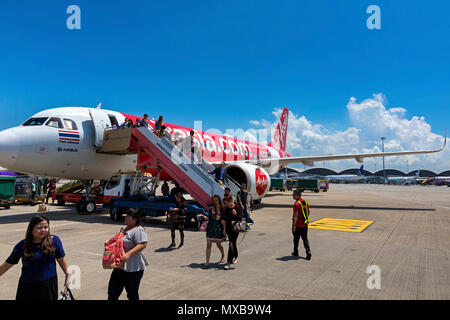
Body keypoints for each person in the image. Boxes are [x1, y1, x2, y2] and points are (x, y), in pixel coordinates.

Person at [0, 214, 70, 300]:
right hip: (27, 286)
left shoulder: (54, 241)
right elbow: (8, 264)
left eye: (46, 227)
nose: (43, 230)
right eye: (39, 228)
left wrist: (68, 274)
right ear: (31, 228)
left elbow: (61, 259)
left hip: (47, 286)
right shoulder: (23, 245)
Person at [108, 209, 148, 301]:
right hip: (120, 265)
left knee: (132, 294)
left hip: (133, 268)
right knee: (112, 292)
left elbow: (142, 244)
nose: (125, 217)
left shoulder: (139, 230)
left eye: (128, 216)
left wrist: (128, 254)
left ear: (135, 219)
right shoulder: (125, 229)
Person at [198, 195, 226, 268]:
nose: (215, 202)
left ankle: (223, 255)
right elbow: (209, 219)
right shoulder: (211, 209)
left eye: (216, 200)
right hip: (210, 229)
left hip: (218, 229)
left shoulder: (222, 209)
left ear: (219, 200)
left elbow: (223, 221)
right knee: (208, 245)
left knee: (218, 244)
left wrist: (224, 230)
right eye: (214, 200)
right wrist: (203, 216)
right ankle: (207, 262)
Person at [222, 198, 242, 270]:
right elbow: (224, 219)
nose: (225, 204)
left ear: (231, 201)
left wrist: (236, 214)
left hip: (235, 229)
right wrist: (224, 230)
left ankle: (228, 263)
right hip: (229, 229)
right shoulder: (226, 208)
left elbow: (240, 219)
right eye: (225, 203)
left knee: (231, 244)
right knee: (232, 244)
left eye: (226, 203)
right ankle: (236, 256)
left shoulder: (237, 207)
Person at [292, 190, 311, 260]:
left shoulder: (296, 204)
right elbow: (308, 212)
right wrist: (305, 219)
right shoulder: (305, 202)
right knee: (305, 239)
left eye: (294, 195)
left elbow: (295, 215)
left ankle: (296, 252)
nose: (293, 196)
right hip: (305, 224)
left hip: (298, 225)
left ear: (298, 195)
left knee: (296, 239)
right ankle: (308, 252)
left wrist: (294, 225)